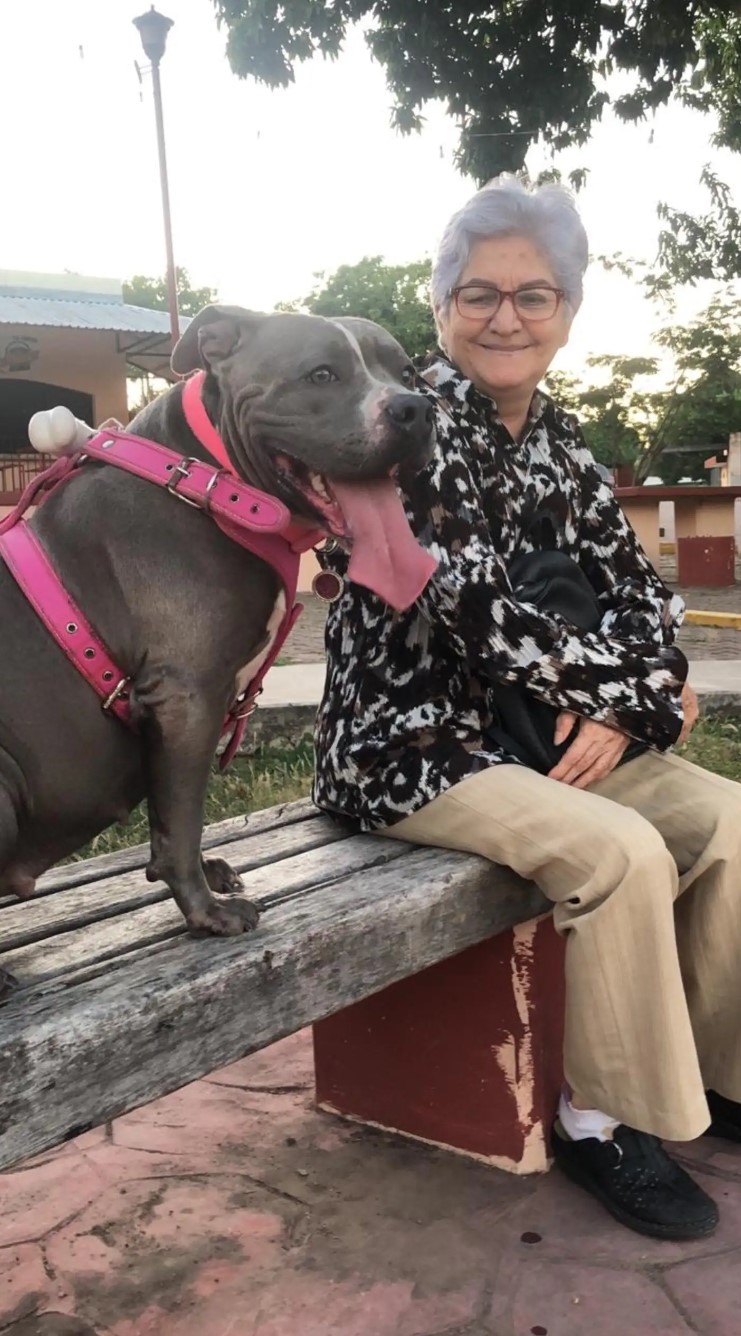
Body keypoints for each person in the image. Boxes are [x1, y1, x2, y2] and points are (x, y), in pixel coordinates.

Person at [313, 175, 741, 1242]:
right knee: (624, 852)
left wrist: (630, 707)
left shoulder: (562, 442)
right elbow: (468, 609)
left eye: (535, 295)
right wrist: (644, 693)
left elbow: (643, 593)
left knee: (731, 822)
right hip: (414, 747)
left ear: (568, 312)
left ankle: (726, 1075)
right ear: (442, 302)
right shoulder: (395, 428)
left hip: (536, 735)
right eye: (481, 292)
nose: (507, 316)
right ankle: (599, 1121)